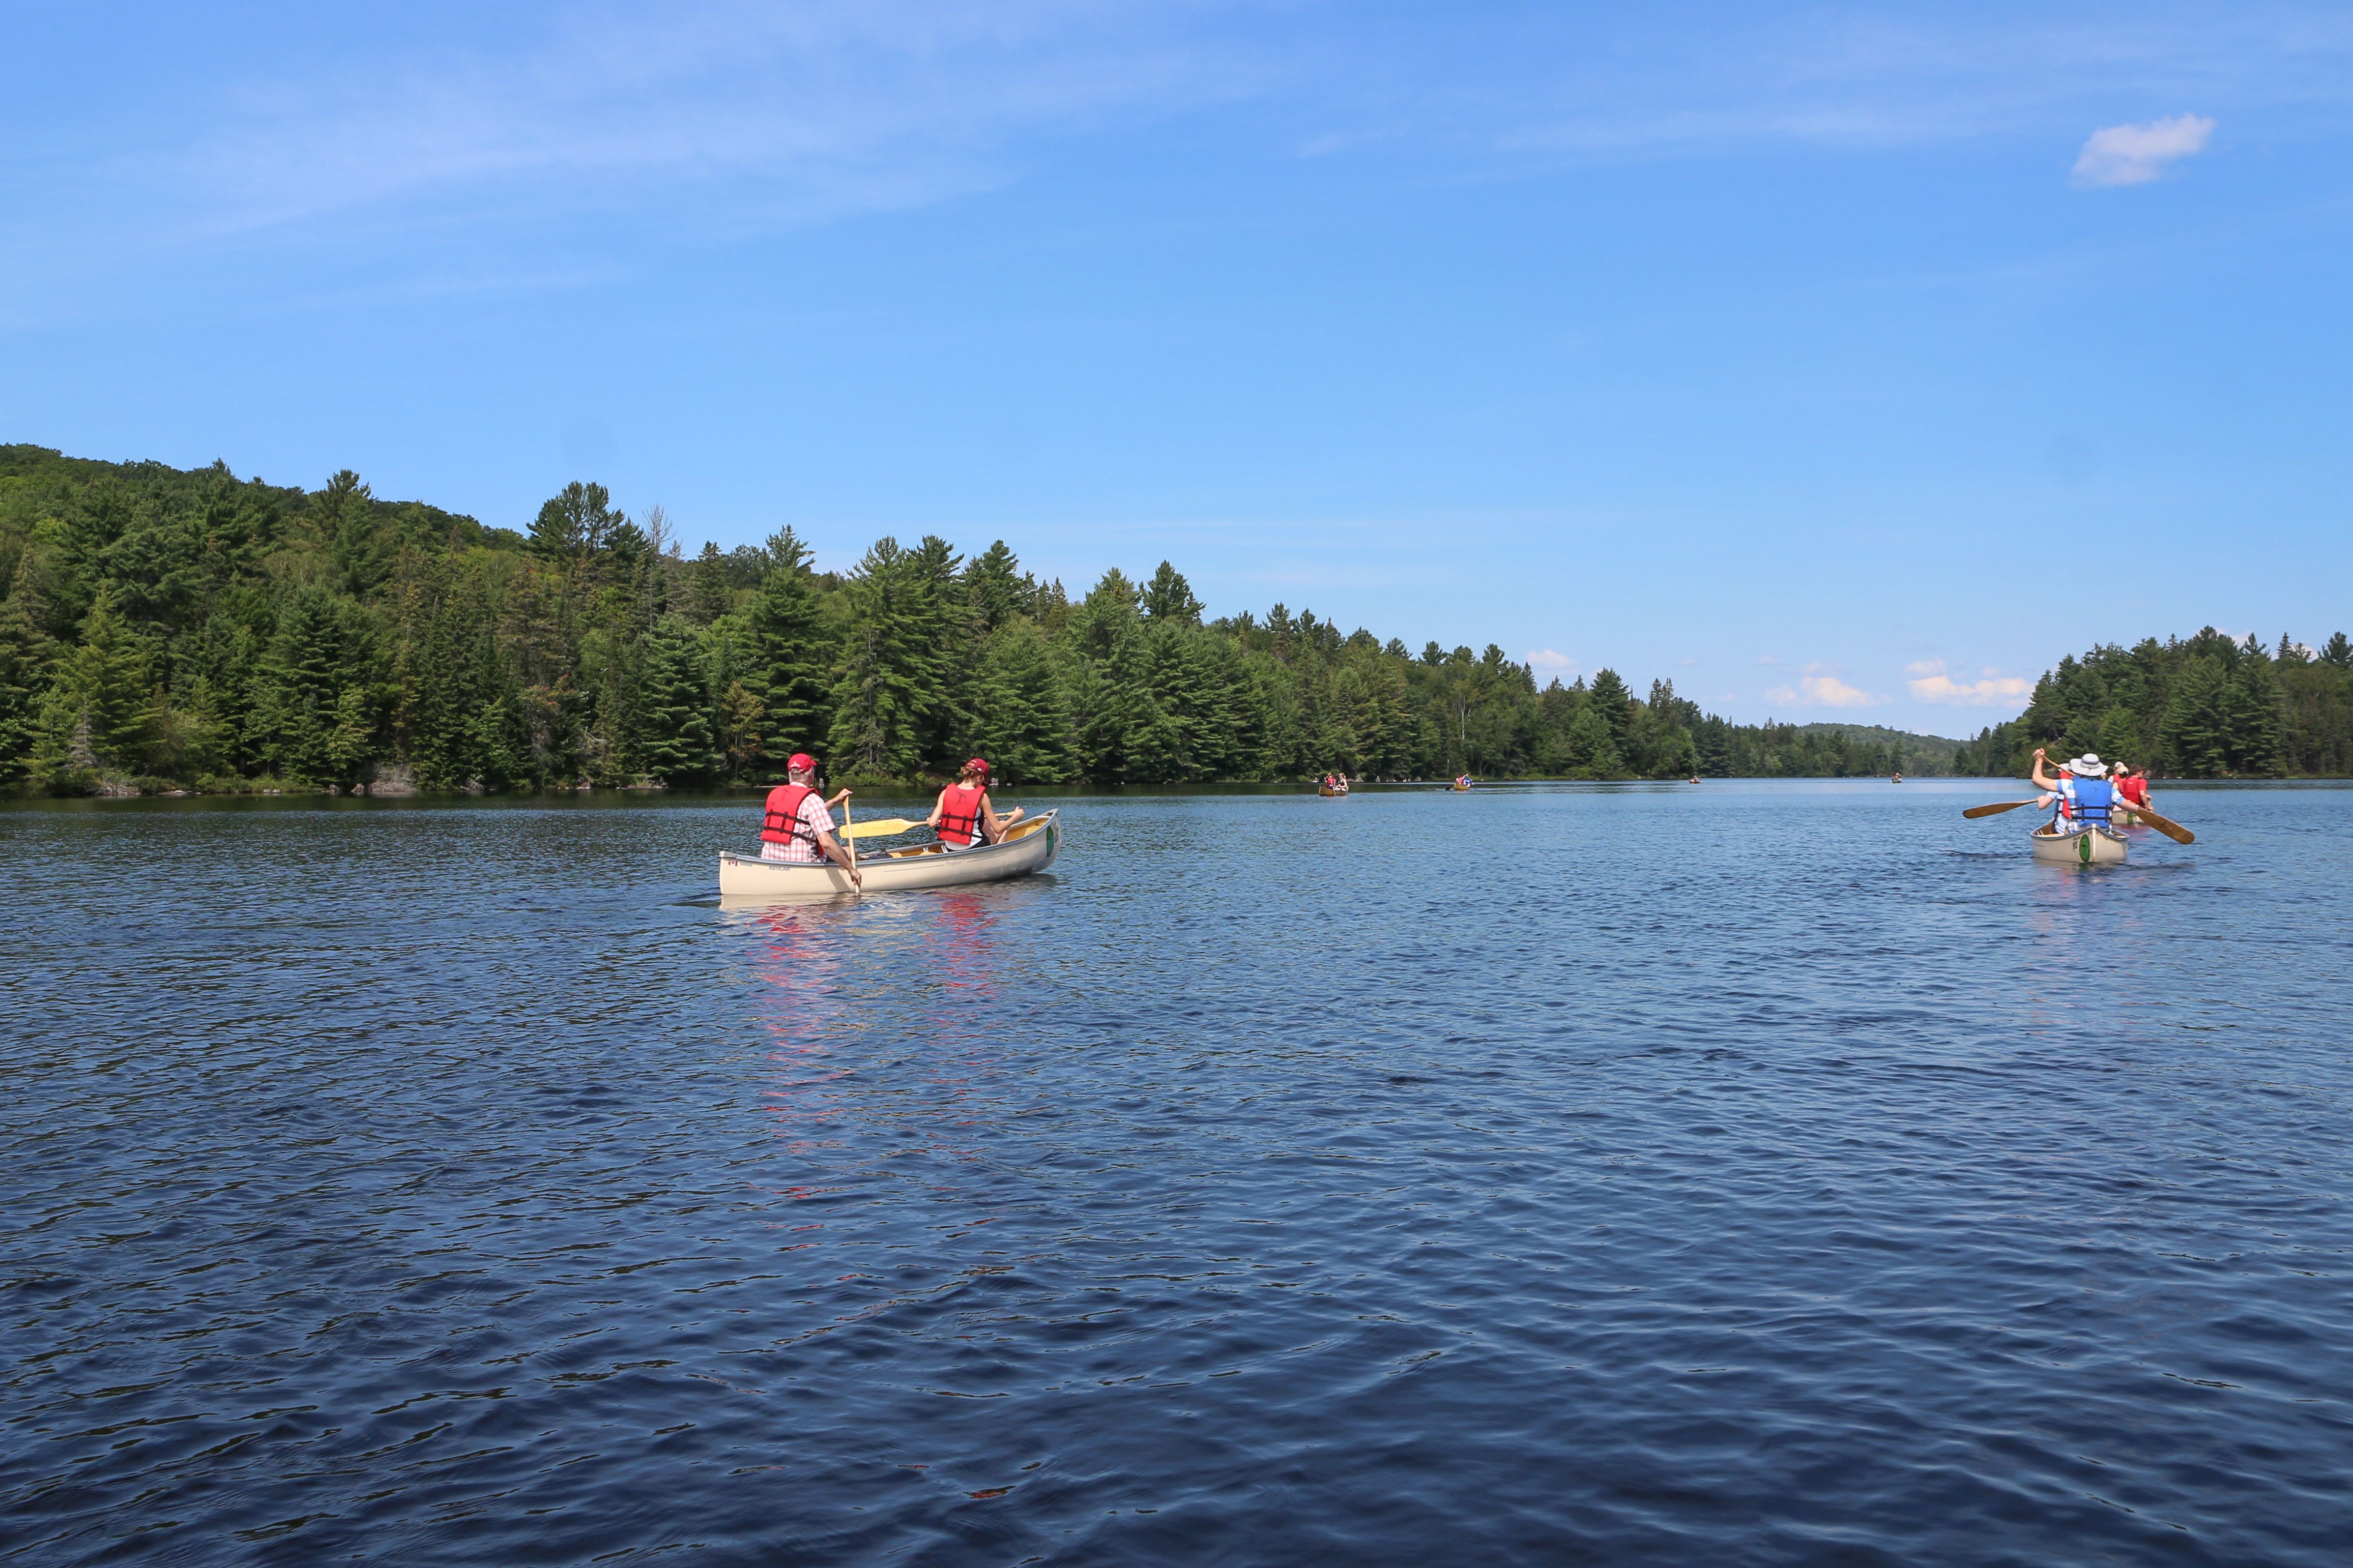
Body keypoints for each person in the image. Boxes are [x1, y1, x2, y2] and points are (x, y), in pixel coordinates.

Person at [759, 752, 860, 884]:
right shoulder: (812, 800)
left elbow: (803, 817)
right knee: (852, 852)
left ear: (790, 774)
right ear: (811, 774)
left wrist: (836, 800)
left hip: (770, 861)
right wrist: (851, 870)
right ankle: (861, 867)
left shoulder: (775, 795)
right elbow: (827, 844)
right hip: (803, 865)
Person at [928, 757, 1018, 848]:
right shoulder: (983, 797)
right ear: (979, 778)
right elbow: (998, 829)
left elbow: (932, 823)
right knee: (1004, 827)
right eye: (983, 779)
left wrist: (936, 821)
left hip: (950, 846)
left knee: (986, 822)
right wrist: (1016, 817)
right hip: (973, 846)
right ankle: (996, 856)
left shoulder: (945, 792)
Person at [2030, 748, 2119, 837]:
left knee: (2058, 824)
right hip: (2097, 829)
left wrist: (2041, 800)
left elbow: (2041, 806)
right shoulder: (2100, 787)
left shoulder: (2063, 785)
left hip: (2068, 829)